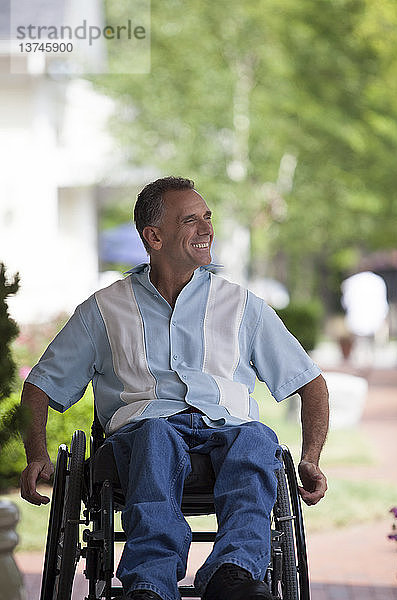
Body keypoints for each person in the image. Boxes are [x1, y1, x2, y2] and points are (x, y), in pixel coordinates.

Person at [20, 177, 329, 600]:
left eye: (207, 218)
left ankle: (233, 573)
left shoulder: (241, 305)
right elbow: (39, 387)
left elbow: (311, 384)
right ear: (154, 236)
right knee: (157, 434)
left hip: (229, 432)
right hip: (143, 434)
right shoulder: (104, 310)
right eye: (191, 220)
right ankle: (150, 583)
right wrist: (36, 454)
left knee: (259, 438)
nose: (206, 229)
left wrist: (311, 458)